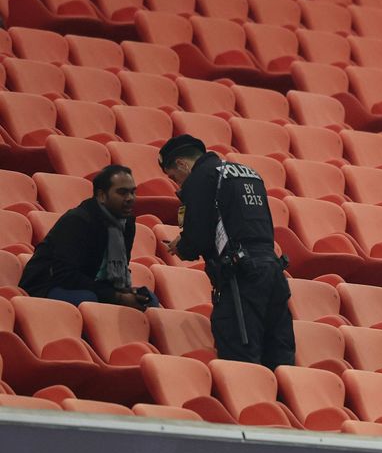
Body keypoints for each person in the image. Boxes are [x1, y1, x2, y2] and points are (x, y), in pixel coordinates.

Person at [160, 134, 295, 369]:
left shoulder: (200, 178)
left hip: (240, 278)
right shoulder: (248, 173)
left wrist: (183, 247)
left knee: (241, 360)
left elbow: (198, 239)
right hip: (272, 271)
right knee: (279, 357)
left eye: (174, 176)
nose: (178, 183)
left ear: (182, 163)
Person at [19, 165, 152, 309]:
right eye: (122, 193)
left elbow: (118, 270)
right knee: (88, 299)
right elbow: (65, 275)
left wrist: (125, 291)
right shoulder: (77, 220)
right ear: (101, 195)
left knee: (149, 299)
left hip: (93, 286)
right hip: (47, 286)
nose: (130, 198)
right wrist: (116, 297)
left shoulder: (127, 223)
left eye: (133, 192)